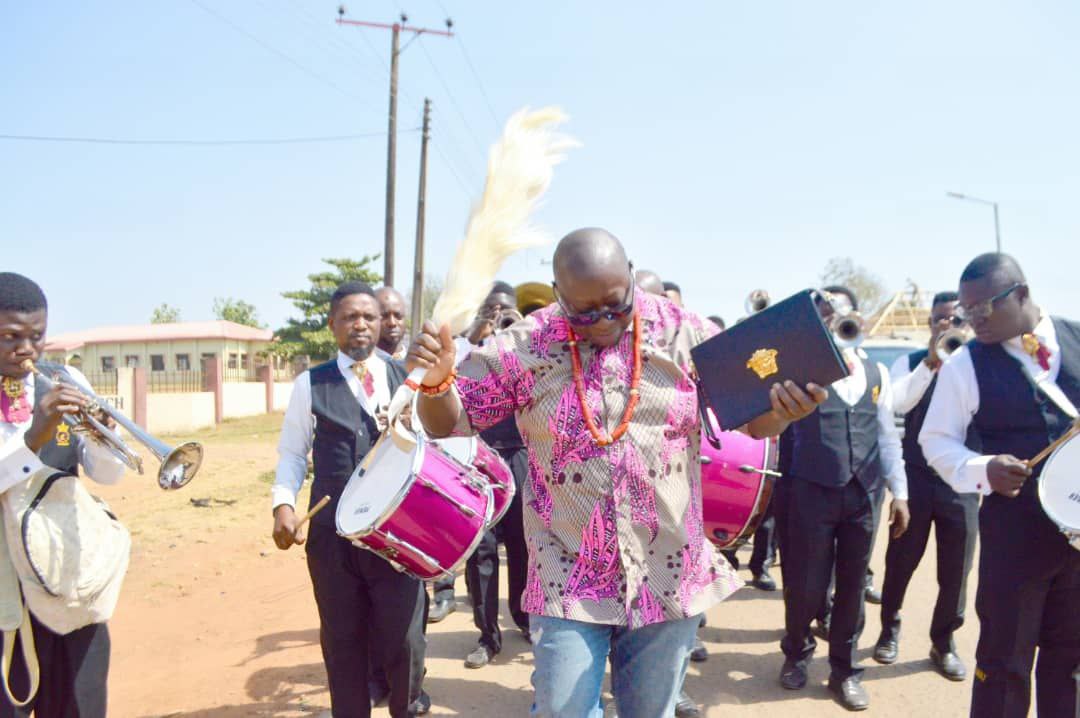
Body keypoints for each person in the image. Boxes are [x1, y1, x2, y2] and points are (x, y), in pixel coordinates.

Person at [407, 228, 824, 717]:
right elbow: (452, 422)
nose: (604, 321)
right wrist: (435, 385)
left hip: (667, 569)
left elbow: (754, 421)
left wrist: (786, 412)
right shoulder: (523, 347)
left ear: (631, 275)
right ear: (559, 295)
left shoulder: (684, 332)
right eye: (585, 312)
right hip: (567, 573)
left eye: (616, 304)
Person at [920, 253, 1080, 718]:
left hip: (1077, 539)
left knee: (1068, 662)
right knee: (1003, 664)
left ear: (1022, 294)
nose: (974, 320)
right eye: (967, 312)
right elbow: (936, 441)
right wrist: (981, 467)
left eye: (983, 308)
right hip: (1014, 536)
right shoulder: (964, 365)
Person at [272, 281, 429, 717]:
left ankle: (406, 708)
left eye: (368, 317)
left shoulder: (407, 379)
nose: (359, 325)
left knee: (405, 641)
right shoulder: (310, 384)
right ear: (332, 325)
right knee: (343, 643)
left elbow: (431, 449)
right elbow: (291, 453)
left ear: (381, 324)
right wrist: (283, 503)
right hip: (332, 537)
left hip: (396, 535)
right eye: (349, 317)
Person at [776, 285, 910, 712]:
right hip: (810, 490)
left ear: (857, 318)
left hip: (864, 493)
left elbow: (889, 438)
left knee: (853, 585)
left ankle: (845, 671)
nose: (835, 320)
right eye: (825, 314)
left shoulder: (878, 374)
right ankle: (796, 652)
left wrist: (900, 493)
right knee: (805, 584)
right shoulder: (798, 371)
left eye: (841, 312)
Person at [0, 273, 126, 718]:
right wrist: (37, 433)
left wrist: (102, 440)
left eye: (36, 336)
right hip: (6, 592)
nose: (26, 350)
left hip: (69, 578)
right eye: (10, 337)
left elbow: (106, 477)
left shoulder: (64, 377)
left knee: (80, 705)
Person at [873, 291, 979, 680]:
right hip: (917, 476)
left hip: (961, 482)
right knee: (901, 559)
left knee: (956, 569)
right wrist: (933, 364)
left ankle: (943, 642)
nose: (947, 325)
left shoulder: (980, 365)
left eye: (956, 319)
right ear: (930, 323)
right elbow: (899, 404)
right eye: (940, 319)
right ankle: (889, 628)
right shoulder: (912, 361)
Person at [454, 285, 531, 670]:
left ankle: (523, 618)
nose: (499, 315)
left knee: (522, 546)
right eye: (492, 310)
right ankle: (487, 636)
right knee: (481, 551)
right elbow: (448, 386)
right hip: (480, 459)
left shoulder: (528, 346)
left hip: (520, 457)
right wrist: (475, 338)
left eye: (506, 310)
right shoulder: (468, 350)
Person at [375, 286, 409, 360]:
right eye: (384, 316)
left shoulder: (419, 364)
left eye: (398, 316)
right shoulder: (358, 365)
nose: (392, 323)